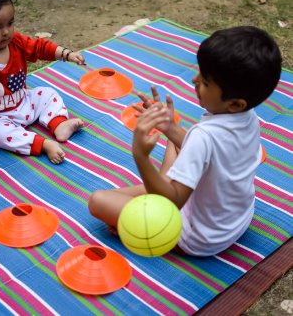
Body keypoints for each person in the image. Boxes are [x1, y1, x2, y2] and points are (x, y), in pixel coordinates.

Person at [89, 26, 282, 256]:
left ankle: (149, 206)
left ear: (235, 103)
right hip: (235, 221)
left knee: (98, 201)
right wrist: (170, 128)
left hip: (197, 236)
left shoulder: (203, 137)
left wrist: (140, 156)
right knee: (178, 142)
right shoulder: (248, 117)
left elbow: (169, 205)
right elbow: (215, 156)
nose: (194, 80)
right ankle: (160, 183)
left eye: (206, 82)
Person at [0, 0, 85, 164]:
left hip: (23, 102)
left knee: (48, 94)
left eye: (10, 23)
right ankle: (42, 144)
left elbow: (40, 48)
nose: (5, 32)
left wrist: (66, 54)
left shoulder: (16, 42)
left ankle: (58, 124)